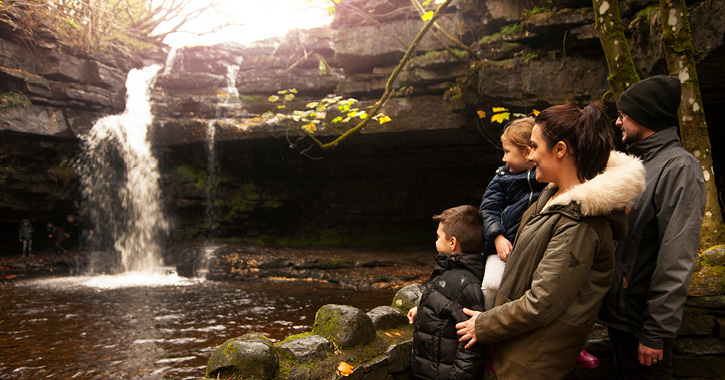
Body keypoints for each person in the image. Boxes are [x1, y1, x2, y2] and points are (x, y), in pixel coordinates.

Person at [455, 102, 646, 379]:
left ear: (559, 149)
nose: (529, 156)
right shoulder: (548, 198)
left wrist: (484, 325)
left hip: (534, 361)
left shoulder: (579, 223)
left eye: (533, 146)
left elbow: (541, 303)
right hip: (517, 348)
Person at [598, 75, 707, 379]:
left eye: (623, 115)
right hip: (619, 319)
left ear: (644, 117)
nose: (618, 123)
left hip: (641, 324)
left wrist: (656, 331)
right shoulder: (637, 165)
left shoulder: (680, 168)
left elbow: (677, 256)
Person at [478, 117, 598, 370]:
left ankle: (575, 345)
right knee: (491, 285)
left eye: (508, 152)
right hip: (504, 245)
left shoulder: (550, 178)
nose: (503, 159)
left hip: (534, 246)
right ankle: (488, 338)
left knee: (556, 289)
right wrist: (497, 236)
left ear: (527, 151)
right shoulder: (501, 178)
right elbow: (488, 208)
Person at [407, 205, 486, 380]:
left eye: (438, 236)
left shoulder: (466, 283)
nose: (435, 241)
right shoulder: (448, 270)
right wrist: (421, 309)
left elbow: (471, 348)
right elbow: (444, 303)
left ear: (452, 242)